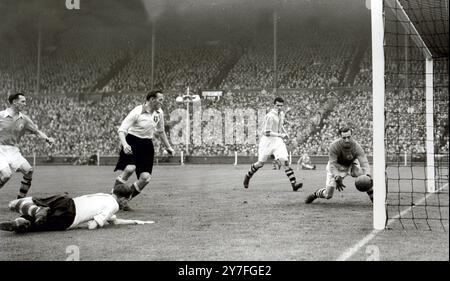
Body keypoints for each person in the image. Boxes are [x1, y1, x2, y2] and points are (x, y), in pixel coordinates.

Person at [0, 183, 154, 233]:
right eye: (126, 200)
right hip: (70, 217)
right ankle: (25, 222)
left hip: (66, 201)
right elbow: (93, 225)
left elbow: (112, 221)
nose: (126, 203)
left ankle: (22, 218)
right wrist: (92, 223)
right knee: (37, 226)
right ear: (122, 198)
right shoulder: (114, 206)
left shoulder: (104, 196)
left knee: (28, 202)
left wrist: (134, 221)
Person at [113, 90, 174, 210]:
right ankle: (113, 198)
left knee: (145, 178)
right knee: (130, 168)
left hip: (147, 144)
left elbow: (161, 131)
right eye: (160, 99)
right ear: (152, 99)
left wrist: (169, 147)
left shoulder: (159, 112)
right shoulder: (137, 112)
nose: (162, 102)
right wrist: (125, 144)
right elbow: (121, 130)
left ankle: (124, 200)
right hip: (132, 141)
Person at [0, 92, 55, 199]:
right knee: (6, 174)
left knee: (28, 171)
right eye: (23, 101)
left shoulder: (24, 119)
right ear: (15, 102)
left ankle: (20, 199)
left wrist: (47, 139)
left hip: (13, 151)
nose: (25, 104)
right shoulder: (1, 115)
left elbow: (36, 131)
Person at [243, 97, 303, 191]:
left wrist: (285, 132)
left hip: (277, 141)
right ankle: (248, 176)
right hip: (267, 141)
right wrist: (281, 134)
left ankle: (294, 184)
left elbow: (280, 125)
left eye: (281, 106)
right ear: (274, 105)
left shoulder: (281, 114)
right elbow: (266, 132)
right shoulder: (270, 116)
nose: (279, 107)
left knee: (284, 161)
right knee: (260, 163)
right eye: (277, 105)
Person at [304, 127, 373, 204]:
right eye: (344, 138)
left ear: (352, 136)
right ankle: (316, 194)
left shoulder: (357, 147)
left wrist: (367, 175)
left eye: (349, 137)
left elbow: (364, 162)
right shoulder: (334, 146)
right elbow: (332, 164)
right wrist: (337, 176)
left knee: (363, 177)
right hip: (336, 167)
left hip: (350, 165)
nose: (347, 140)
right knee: (328, 195)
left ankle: (374, 200)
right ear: (340, 137)